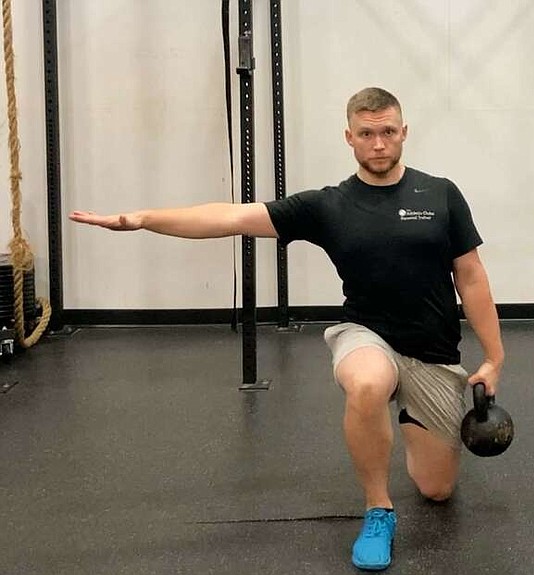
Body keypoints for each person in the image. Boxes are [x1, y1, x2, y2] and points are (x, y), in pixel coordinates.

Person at [70, 87, 505, 572]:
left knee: (437, 489)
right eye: (366, 134)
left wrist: (493, 356)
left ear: (403, 133)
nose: (378, 143)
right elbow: (231, 216)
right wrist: (143, 219)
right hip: (366, 336)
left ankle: (411, 421)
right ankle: (378, 509)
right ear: (349, 138)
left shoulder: (440, 194)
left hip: (433, 350)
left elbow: (470, 275)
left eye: (387, 132)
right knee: (366, 384)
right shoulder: (328, 206)